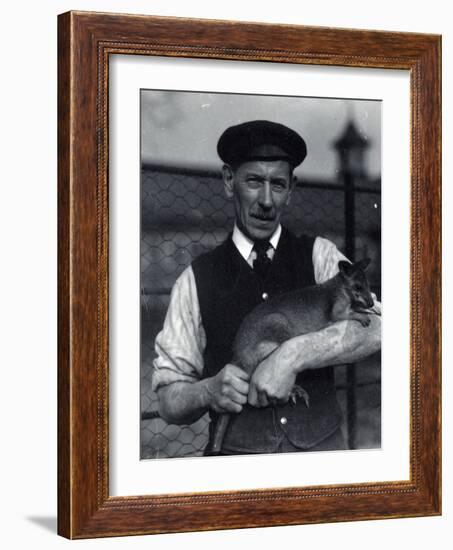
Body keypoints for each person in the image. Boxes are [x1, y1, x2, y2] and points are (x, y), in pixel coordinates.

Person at [152, 120, 381, 455]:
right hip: (237, 468)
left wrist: (290, 356)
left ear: (291, 189)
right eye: (254, 181)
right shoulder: (194, 279)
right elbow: (167, 400)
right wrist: (205, 392)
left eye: (277, 184)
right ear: (229, 181)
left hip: (320, 463)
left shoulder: (322, 255)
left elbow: (378, 327)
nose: (266, 200)